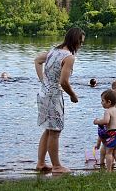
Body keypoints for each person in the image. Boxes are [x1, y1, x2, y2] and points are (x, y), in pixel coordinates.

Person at [34, 27, 85, 174]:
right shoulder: (68, 57)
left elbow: (37, 60)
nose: (80, 46)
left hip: (43, 93)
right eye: (80, 42)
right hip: (54, 96)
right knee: (55, 131)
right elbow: (63, 82)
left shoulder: (53, 51)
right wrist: (73, 95)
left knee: (48, 130)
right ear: (74, 41)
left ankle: (41, 163)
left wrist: (43, 80)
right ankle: (56, 166)